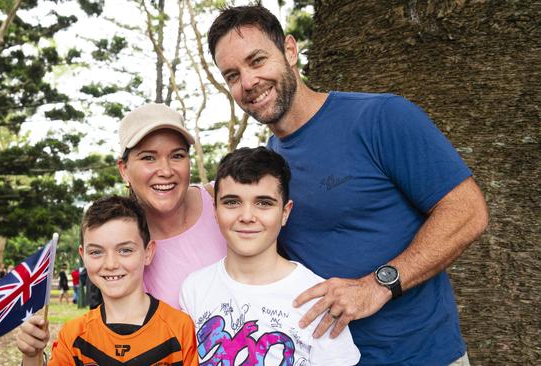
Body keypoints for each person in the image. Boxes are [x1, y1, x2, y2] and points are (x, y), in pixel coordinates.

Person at [207, 6, 489, 365]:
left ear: (290, 51)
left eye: (257, 60)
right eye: (232, 75)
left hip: (422, 355)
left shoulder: (381, 118)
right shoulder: (267, 170)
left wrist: (378, 284)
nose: (247, 82)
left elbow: (468, 211)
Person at [181, 147, 360, 365]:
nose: (247, 216)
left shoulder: (317, 296)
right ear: (215, 211)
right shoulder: (194, 288)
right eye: (232, 202)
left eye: (263, 203)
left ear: (285, 212)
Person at [16, 196, 198, 366]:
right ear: (83, 256)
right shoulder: (74, 336)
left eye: (125, 250)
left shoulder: (180, 328)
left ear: (148, 252)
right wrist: (32, 356)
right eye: (96, 252)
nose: (111, 264)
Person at [117, 103, 227, 308]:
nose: (166, 171)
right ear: (124, 169)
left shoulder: (225, 200)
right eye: (149, 158)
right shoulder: (121, 243)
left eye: (177, 155)